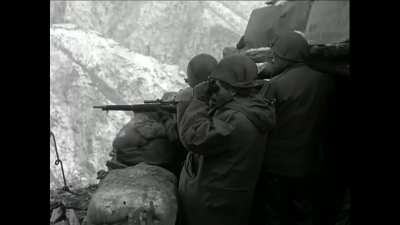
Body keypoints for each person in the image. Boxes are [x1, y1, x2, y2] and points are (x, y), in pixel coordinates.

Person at [176, 55, 276, 225]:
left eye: (217, 88)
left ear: (233, 90)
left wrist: (199, 100)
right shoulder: (252, 106)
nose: (211, 93)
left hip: (214, 205)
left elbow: (192, 138)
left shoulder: (235, 120)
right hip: (225, 199)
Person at [252, 31, 336, 225]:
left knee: (274, 213)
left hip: (277, 165)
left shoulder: (274, 85)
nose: (274, 60)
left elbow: (260, 123)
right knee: (302, 212)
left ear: (284, 57)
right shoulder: (326, 81)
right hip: (311, 162)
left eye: (276, 56)